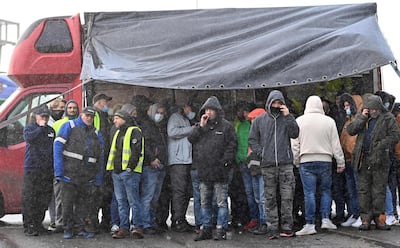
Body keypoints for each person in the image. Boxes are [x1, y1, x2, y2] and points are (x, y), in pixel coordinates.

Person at [248, 90, 299, 240]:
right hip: (268, 164)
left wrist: (288, 116)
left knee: (287, 197)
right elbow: (252, 139)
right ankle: (272, 228)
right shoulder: (260, 120)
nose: (276, 105)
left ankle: (287, 226)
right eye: (274, 103)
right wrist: (261, 152)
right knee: (270, 198)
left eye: (279, 102)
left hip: (285, 163)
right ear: (269, 103)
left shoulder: (286, 119)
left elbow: (295, 133)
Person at [291, 95, 345, 236]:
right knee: (326, 190)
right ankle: (326, 218)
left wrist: (297, 161)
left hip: (306, 160)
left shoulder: (299, 121)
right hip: (325, 160)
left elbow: (295, 145)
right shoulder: (329, 121)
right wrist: (340, 162)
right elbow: (336, 144)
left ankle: (310, 223)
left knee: (309, 193)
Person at [347, 94, 400, 231]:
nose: (373, 111)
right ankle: (365, 219)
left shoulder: (388, 118)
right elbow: (351, 130)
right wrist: (362, 117)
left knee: (379, 190)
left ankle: (380, 219)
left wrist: (381, 144)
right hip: (363, 159)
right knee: (363, 190)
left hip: (380, 159)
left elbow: (395, 136)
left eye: (375, 109)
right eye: (371, 109)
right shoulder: (363, 117)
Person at [189, 96, 237, 241]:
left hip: (220, 171)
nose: (208, 113)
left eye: (211, 110)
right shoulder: (201, 126)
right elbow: (191, 139)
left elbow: (232, 145)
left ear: (217, 111)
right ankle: (206, 228)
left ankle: (221, 228)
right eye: (206, 110)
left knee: (221, 201)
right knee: (204, 202)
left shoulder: (226, 126)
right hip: (204, 171)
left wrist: (225, 163)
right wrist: (200, 126)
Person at [54, 106, 104, 239]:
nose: (89, 118)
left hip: (86, 176)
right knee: (68, 204)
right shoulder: (69, 126)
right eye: (87, 115)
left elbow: (100, 157)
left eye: (91, 117)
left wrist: (98, 177)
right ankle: (68, 229)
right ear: (81, 115)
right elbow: (57, 147)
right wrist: (59, 170)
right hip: (69, 174)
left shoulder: (96, 133)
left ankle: (80, 228)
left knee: (83, 204)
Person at [131, 95, 167, 236]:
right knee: (148, 196)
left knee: (153, 197)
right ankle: (146, 223)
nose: (160, 115)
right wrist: (152, 158)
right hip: (151, 165)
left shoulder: (154, 125)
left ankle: (150, 222)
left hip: (159, 164)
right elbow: (144, 144)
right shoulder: (147, 125)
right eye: (157, 112)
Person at [106, 110, 144, 239]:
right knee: (122, 201)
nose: (114, 121)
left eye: (117, 118)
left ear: (124, 119)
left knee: (133, 200)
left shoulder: (134, 131)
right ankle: (124, 227)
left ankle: (137, 226)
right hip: (117, 172)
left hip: (129, 172)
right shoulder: (117, 132)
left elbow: (136, 151)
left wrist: (129, 168)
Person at [22, 105, 55, 236]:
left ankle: (38, 223)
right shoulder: (30, 128)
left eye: (46, 116)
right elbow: (30, 139)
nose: (45, 119)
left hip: (46, 169)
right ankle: (29, 225)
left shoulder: (51, 130)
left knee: (43, 198)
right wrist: (40, 128)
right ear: (36, 116)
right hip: (32, 168)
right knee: (30, 198)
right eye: (42, 116)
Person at [48, 100, 79, 232]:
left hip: (75, 167)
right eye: (69, 108)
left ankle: (71, 222)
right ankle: (58, 222)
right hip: (61, 165)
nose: (72, 110)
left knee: (75, 197)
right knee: (59, 196)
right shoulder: (58, 124)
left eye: (74, 108)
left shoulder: (80, 124)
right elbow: (53, 146)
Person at [167, 102, 195, 232]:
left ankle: (181, 218)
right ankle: (177, 220)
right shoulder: (175, 117)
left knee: (185, 191)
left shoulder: (186, 119)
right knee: (179, 191)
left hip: (186, 159)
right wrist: (191, 129)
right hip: (178, 160)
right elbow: (172, 132)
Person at [338, 93, 363, 228]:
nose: (346, 108)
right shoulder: (348, 121)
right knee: (351, 190)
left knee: (358, 190)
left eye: (348, 105)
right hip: (348, 160)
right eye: (345, 105)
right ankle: (354, 213)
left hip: (355, 160)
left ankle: (361, 214)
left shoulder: (358, 121)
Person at [232, 101, 257, 232]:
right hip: (242, 162)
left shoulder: (253, 124)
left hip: (252, 162)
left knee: (256, 192)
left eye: (246, 111)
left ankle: (258, 218)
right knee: (249, 192)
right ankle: (253, 218)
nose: (243, 113)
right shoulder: (240, 125)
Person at [92, 93, 113, 232]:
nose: (108, 105)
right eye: (106, 102)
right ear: (99, 103)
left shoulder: (105, 117)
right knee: (97, 193)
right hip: (99, 160)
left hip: (105, 160)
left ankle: (105, 221)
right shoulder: (95, 115)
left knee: (106, 193)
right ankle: (95, 222)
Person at [246, 107, 268, 235]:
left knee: (262, 197)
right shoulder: (254, 133)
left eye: (254, 118)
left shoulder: (263, 133)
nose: (252, 121)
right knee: (258, 197)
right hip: (253, 170)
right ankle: (261, 221)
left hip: (261, 169)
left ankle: (264, 222)